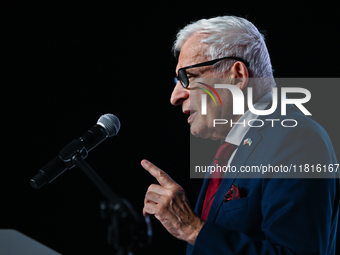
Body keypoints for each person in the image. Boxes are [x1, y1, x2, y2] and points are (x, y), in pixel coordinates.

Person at [141, 16, 339, 254]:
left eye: (188, 78)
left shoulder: (297, 138)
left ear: (237, 76)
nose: (174, 96)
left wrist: (192, 228)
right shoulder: (233, 148)